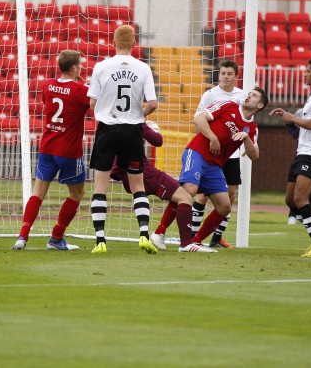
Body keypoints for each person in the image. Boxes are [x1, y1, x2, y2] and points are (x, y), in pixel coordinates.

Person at [87, 24, 159, 254]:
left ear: (114, 42)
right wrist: (139, 115)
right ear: (134, 43)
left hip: (108, 128)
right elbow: (153, 104)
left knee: (100, 186)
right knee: (138, 185)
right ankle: (144, 235)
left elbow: (92, 103)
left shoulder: (101, 66)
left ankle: (100, 240)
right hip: (132, 131)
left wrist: (106, 112)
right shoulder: (143, 68)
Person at [12, 49, 90, 251]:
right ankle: (55, 238)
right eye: (80, 65)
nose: (82, 67)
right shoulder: (81, 91)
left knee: (38, 193)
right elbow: (95, 105)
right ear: (74, 68)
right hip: (69, 152)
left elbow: (50, 103)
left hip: (47, 147)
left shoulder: (47, 85)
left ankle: (22, 236)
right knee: (77, 193)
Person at [180, 88, 268, 251]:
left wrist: (246, 137)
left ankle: (197, 241)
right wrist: (213, 138)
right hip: (199, 152)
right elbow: (199, 119)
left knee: (225, 205)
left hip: (216, 164)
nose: (249, 96)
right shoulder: (229, 105)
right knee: (189, 192)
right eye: (249, 93)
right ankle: (162, 232)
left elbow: (254, 155)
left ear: (260, 105)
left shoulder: (252, 128)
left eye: (254, 96)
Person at [268, 57, 311, 258]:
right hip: (303, 151)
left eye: (308, 71)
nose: (305, 74)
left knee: (300, 197)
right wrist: (290, 115)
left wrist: (292, 118)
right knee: (290, 200)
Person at [184, 59, 246, 248]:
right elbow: (198, 119)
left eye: (229, 74)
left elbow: (246, 121)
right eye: (223, 73)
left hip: (231, 153)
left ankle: (217, 237)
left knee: (231, 193)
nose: (226, 77)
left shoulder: (242, 97)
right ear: (218, 75)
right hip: (211, 151)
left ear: (236, 76)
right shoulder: (210, 95)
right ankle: (193, 234)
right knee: (202, 195)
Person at [110, 121, 198, 251]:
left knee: (181, 194)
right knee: (185, 197)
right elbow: (158, 141)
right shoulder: (136, 121)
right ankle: (185, 243)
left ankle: (158, 233)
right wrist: (155, 130)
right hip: (145, 174)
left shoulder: (112, 122)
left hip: (128, 177)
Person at [284, 108, 311, 225]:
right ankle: (293, 215)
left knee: (310, 190)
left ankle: (309, 218)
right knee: (293, 194)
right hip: (302, 154)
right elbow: (290, 123)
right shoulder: (302, 111)